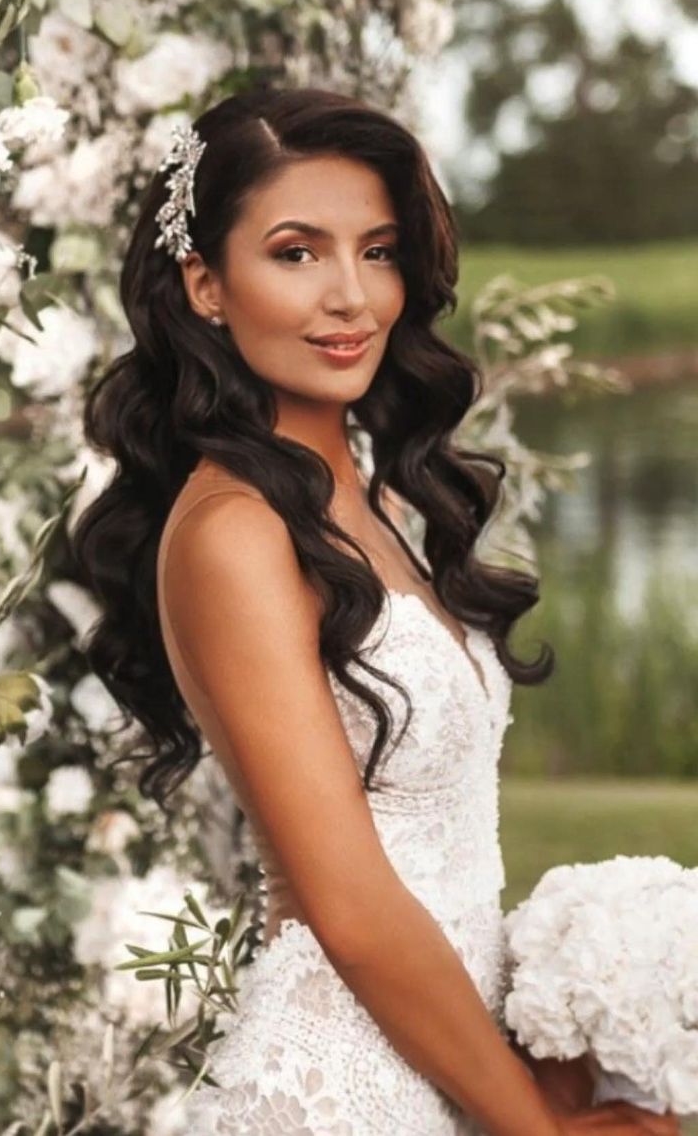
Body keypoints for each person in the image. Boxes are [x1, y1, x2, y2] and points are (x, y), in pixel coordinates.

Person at [73, 85, 680, 1136]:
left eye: (380, 250)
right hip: (345, 1085)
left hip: (450, 1056)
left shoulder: (363, 490)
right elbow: (345, 903)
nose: (351, 295)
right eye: (297, 253)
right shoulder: (233, 533)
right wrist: (534, 1133)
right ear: (207, 285)